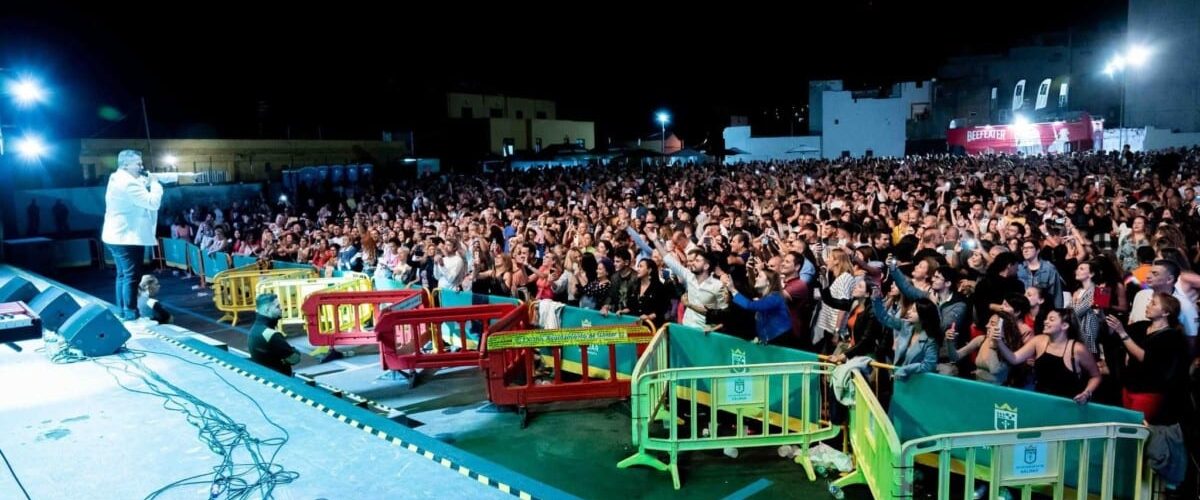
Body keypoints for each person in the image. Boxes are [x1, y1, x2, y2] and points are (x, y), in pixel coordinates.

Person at [101, 150, 164, 321]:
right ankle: (130, 311)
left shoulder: (117, 177)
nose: (141, 166)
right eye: (138, 163)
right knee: (131, 276)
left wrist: (144, 181)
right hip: (127, 237)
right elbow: (152, 203)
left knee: (122, 275)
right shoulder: (129, 184)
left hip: (115, 235)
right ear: (126, 164)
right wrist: (156, 184)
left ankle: (122, 309)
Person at [248, 293, 302, 376]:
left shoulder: (255, 330)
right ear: (267, 309)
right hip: (280, 377)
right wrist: (294, 351)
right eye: (277, 307)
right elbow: (295, 358)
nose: (281, 309)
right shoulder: (271, 334)